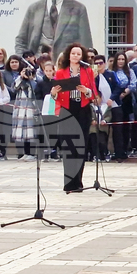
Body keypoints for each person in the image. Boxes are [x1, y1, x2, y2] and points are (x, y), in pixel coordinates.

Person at [52, 43, 99, 189]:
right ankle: (69, 182)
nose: (76, 56)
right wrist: (54, 93)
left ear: (82, 56)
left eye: (78, 54)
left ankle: (78, 181)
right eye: (73, 54)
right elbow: (55, 95)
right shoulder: (61, 72)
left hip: (83, 109)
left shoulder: (88, 71)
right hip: (67, 108)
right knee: (68, 145)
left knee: (81, 145)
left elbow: (93, 94)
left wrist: (86, 91)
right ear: (69, 55)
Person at [108, 52, 134, 161]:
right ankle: (117, 151)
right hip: (115, 101)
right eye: (119, 59)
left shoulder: (130, 71)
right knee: (117, 128)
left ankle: (125, 150)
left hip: (127, 100)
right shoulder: (111, 72)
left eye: (123, 59)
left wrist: (126, 92)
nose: (121, 61)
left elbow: (134, 84)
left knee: (126, 127)